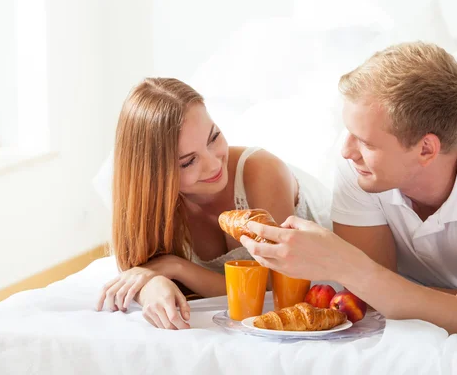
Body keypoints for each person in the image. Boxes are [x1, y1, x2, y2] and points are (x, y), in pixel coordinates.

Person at [240, 42, 457, 341]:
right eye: (349, 133)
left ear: (426, 150)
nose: (347, 151)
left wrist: (345, 264)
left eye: (365, 141)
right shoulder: (360, 168)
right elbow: (373, 298)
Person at [95, 78, 329, 330]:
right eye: (188, 162)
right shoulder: (147, 205)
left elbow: (271, 291)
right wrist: (152, 284)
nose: (213, 164)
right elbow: (138, 273)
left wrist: (176, 267)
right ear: (154, 175)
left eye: (213, 137)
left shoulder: (262, 172)